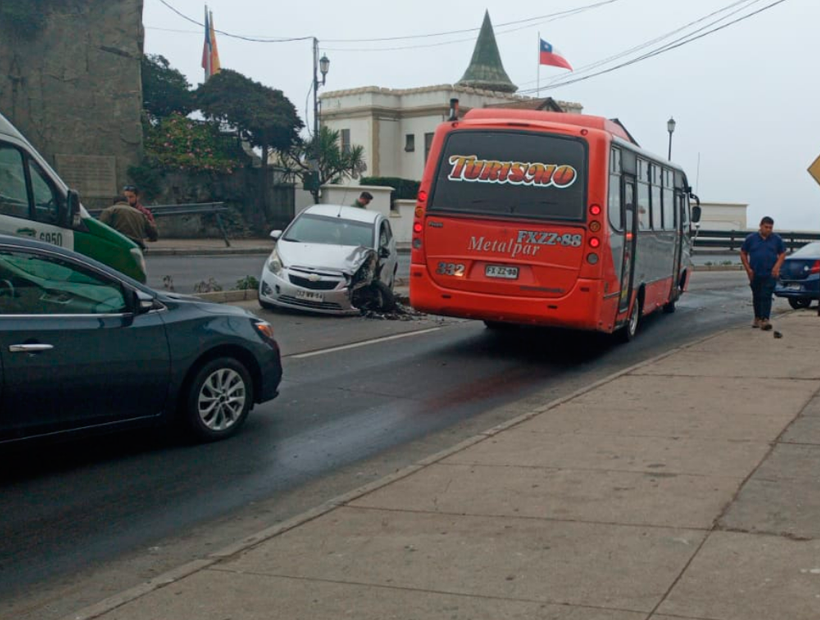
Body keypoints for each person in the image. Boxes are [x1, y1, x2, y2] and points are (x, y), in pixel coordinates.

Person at [740, 216, 786, 331]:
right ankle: (757, 318)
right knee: (757, 296)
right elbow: (743, 252)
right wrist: (748, 269)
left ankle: (765, 319)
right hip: (755, 272)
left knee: (766, 295)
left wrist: (777, 267)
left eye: (770, 227)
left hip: (770, 273)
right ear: (760, 226)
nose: (768, 230)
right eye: (766, 227)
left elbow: (782, 254)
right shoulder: (751, 238)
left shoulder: (776, 239)